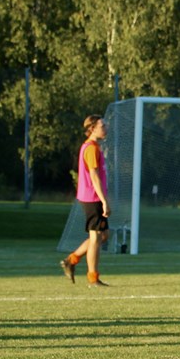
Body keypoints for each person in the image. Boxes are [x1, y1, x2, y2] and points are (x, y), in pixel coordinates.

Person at [60, 115, 112, 288]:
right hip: (92, 197)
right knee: (96, 237)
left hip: (93, 196)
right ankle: (93, 278)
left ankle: (71, 260)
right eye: (102, 125)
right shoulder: (90, 148)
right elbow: (94, 176)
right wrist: (104, 200)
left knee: (103, 235)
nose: (106, 128)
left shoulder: (95, 147)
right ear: (92, 129)